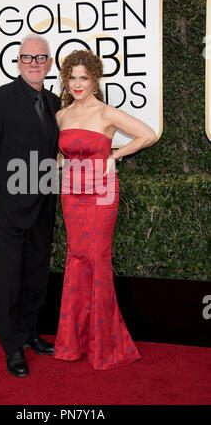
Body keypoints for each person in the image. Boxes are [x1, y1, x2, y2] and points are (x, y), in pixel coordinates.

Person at [54, 49, 157, 370]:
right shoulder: (62, 115)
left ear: (95, 79)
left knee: (96, 259)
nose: (77, 84)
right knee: (76, 258)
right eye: (72, 77)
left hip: (100, 194)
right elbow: (59, 155)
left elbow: (148, 134)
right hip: (71, 193)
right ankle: (73, 342)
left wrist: (113, 157)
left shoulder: (107, 113)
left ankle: (105, 345)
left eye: (84, 77)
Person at [0, 34, 61, 377]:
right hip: (7, 208)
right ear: (17, 62)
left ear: (49, 64)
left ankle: (31, 333)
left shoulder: (54, 103)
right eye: (27, 58)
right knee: (8, 280)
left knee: (36, 275)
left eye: (40, 59)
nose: (34, 64)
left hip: (43, 205)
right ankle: (12, 348)